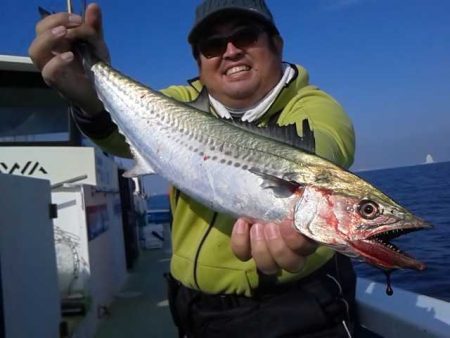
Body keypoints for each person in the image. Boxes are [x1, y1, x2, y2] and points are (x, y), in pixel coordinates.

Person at [29, 1, 357, 337]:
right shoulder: (178, 102)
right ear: (199, 61)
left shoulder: (312, 104)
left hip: (298, 310)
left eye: (245, 36)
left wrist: (306, 198)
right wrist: (88, 96)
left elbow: (324, 148)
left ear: (277, 43)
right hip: (193, 311)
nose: (230, 52)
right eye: (212, 45)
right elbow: (118, 137)